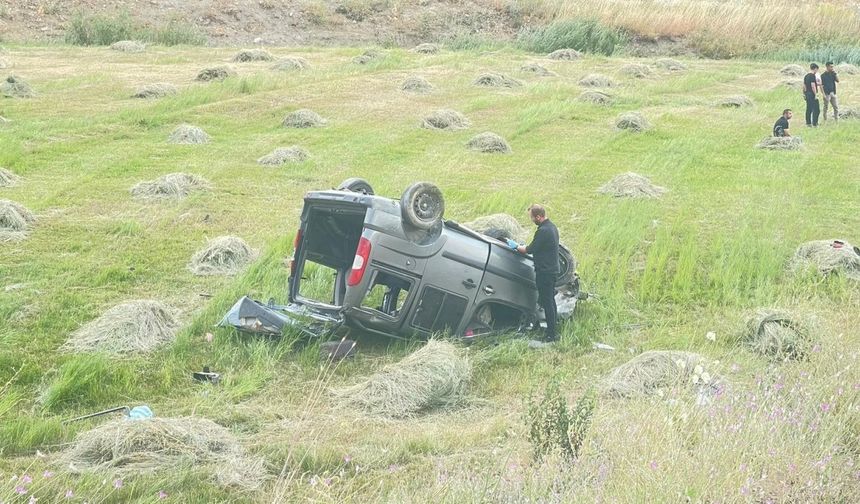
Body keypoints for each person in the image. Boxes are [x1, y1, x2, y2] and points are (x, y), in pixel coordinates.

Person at [506, 204, 560, 342]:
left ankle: (551, 335)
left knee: (547, 302)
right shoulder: (552, 227)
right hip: (552, 269)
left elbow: (529, 250)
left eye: (532, 218)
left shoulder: (543, 231)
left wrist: (517, 246)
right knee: (550, 301)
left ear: (538, 216)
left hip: (545, 272)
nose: (531, 220)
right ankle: (554, 328)